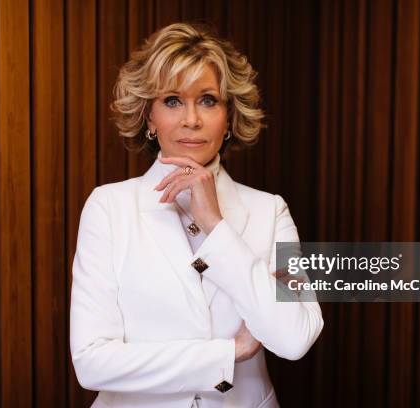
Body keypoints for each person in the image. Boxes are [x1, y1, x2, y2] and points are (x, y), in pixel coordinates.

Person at [69, 22, 323, 408]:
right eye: (172, 100)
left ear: (229, 115)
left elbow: (295, 338)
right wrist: (229, 353)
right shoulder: (108, 208)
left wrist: (216, 226)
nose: (192, 119)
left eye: (208, 100)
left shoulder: (269, 211)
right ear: (149, 117)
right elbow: (92, 363)